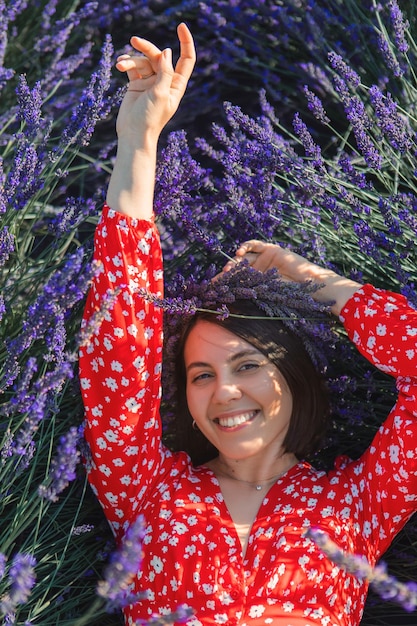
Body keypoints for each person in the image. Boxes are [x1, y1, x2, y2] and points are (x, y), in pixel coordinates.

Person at [79, 23, 417, 626]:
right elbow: (118, 343)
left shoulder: (358, 505)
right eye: (200, 373)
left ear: (292, 374)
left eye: (249, 364)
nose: (225, 391)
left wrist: (316, 281)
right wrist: (139, 137)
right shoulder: (145, 491)